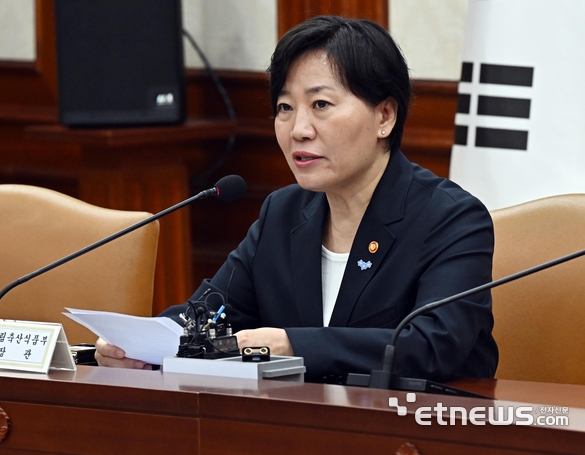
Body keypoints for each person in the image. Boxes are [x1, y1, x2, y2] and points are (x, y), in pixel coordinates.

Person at [96, 15, 499, 383]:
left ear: (385, 116)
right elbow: (211, 314)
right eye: (285, 107)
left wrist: (291, 345)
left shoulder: (451, 219)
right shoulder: (283, 212)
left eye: (321, 105)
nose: (298, 129)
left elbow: (432, 347)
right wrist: (136, 343)